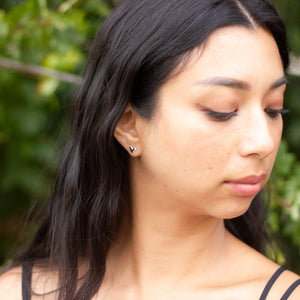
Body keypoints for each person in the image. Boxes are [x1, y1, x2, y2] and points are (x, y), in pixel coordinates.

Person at [0, 0, 300, 299]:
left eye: (274, 109)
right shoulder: (18, 292)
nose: (263, 141)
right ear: (128, 123)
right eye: (222, 110)